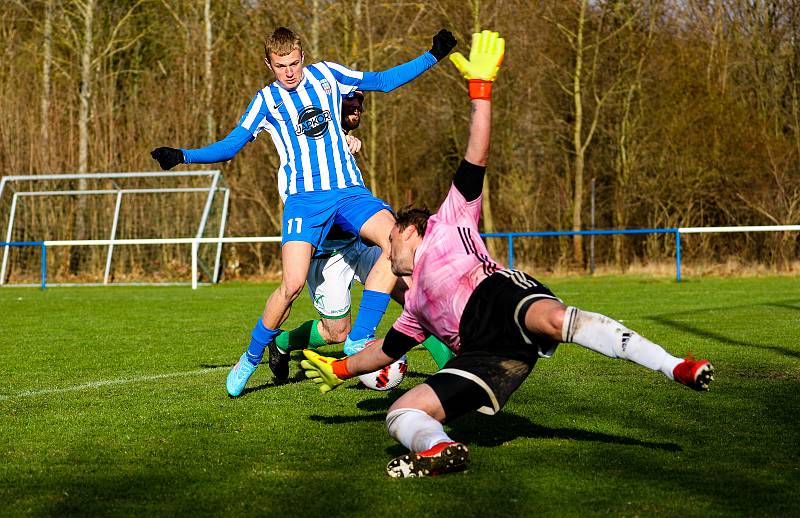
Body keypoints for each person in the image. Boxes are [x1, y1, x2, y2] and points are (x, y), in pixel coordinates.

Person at [300, 30, 716, 478]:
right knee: (401, 413)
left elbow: (476, 155)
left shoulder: (450, 219)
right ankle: (439, 449)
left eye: (391, 240)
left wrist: (481, 91)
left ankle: (674, 366)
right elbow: (385, 350)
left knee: (558, 321)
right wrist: (341, 369)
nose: (386, 248)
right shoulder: (414, 307)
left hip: (498, 299)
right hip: (485, 357)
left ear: (407, 230)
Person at [150, 27, 457, 397]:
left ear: (303, 57)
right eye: (281, 66)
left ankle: (361, 342)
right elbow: (232, 145)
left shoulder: (328, 75)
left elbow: (383, 81)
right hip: (305, 202)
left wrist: (432, 55)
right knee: (291, 284)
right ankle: (250, 357)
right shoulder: (266, 101)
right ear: (269, 64)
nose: (290, 72)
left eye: (294, 63)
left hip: (347, 192)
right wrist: (184, 155)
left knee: (396, 243)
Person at [273, 91, 455, 377]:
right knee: (336, 332)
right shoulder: (301, 156)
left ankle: (451, 367)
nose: (356, 108)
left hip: (359, 243)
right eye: (349, 103)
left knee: (411, 296)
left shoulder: (343, 146)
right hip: (326, 253)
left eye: (360, 104)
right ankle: (282, 342)